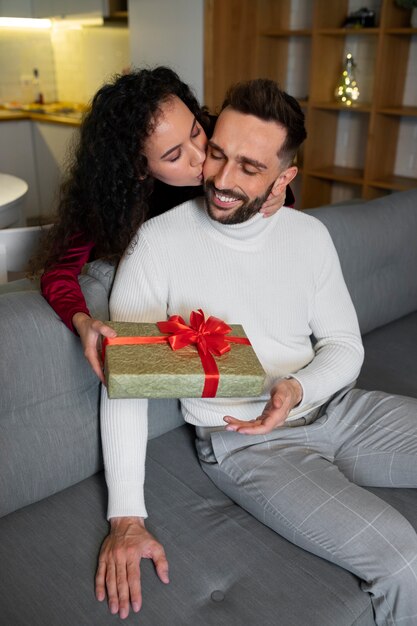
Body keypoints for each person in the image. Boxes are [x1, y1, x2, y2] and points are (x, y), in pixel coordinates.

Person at [97, 78, 417, 625]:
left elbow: (342, 345)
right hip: (248, 448)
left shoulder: (308, 235)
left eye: (249, 166)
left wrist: (297, 388)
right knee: (405, 560)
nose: (220, 179)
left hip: (337, 410)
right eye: (217, 154)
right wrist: (126, 515)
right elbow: (127, 381)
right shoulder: (157, 244)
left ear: (283, 178)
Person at [31, 67, 292, 382]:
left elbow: (264, 172)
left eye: (196, 131)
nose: (200, 157)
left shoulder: (216, 141)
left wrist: (279, 194)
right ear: (140, 168)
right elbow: (59, 271)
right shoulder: (106, 198)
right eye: (173, 156)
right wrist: (82, 320)